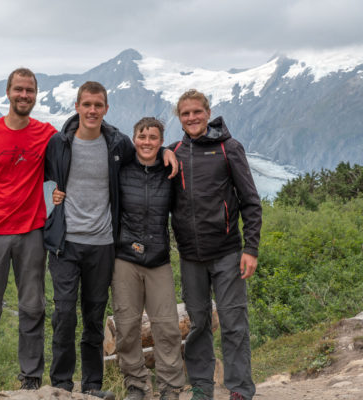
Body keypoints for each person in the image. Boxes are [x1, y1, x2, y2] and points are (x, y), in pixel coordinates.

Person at [44, 82, 177, 399]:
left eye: (98, 105)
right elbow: (39, 177)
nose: (92, 110)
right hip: (66, 242)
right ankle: (62, 384)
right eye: (86, 104)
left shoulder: (117, 144)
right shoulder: (59, 143)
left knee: (93, 316)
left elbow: (149, 151)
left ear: (105, 108)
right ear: (77, 106)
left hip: (103, 244)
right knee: (63, 314)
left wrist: (171, 149)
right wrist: (54, 200)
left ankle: (92, 386)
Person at [0, 67, 57, 391]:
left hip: (32, 231)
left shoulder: (47, 133)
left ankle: (30, 380)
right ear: (8, 92)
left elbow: (75, 152)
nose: (24, 96)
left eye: (29, 91)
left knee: (33, 307)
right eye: (19, 90)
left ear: (35, 95)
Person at [170, 89, 262, 400]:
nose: (192, 118)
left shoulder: (229, 148)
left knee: (234, 323)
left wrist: (251, 249)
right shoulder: (175, 152)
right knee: (198, 325)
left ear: (208, 114)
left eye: (197, 112)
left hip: (228, 253)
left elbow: (250, 201)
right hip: (190, 256)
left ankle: (239, 389)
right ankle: (202, 387)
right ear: (179, 118)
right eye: (186, 113)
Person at [112, 118, 184, 400]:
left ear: (160, 140)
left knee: (166, 326)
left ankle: (170, 387)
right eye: (142, 136)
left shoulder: (170, 171)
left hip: (158, 259)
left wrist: (168, 151)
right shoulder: (121, 169)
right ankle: (137, 385)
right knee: (127, 326)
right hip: (125, 257)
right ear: (134, 138)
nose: (147, 142)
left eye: (154, 138)